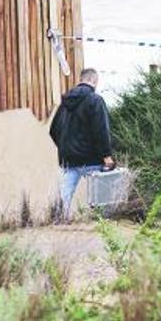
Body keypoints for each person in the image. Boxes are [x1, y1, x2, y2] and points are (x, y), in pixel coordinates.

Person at [49, 68, 115, 218]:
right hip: (91, 158)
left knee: (63, 201)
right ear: (94, 81)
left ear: (81, 79)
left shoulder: (64, 104)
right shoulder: (95, 100)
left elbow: (53, 130)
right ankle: (104, 225)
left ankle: (59, 224)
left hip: (68, 160)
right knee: (102, 198)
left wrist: (65, 147)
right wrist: (106, 155)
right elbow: (101, 130)